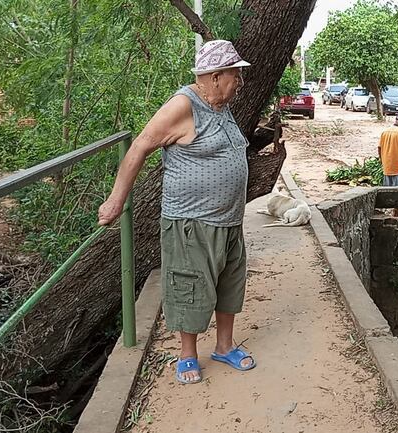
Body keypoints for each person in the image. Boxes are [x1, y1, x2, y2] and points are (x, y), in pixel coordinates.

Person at [97, 40, 255, 385]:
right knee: (190, 285)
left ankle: (224, 346)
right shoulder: (183, 104)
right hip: (191, 221)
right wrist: (116, 200)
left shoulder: (220, 105)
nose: (240, 81)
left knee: (229, 282)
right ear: (215, 76)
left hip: (228, 220)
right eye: (235, 74)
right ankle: (187, 354)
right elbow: (140, 145)